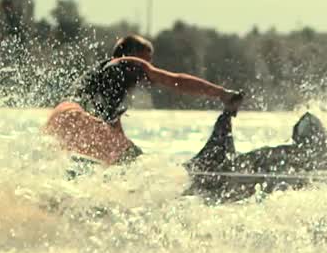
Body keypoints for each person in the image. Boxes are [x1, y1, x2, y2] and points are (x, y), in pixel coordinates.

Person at [44, 34, 243, 165]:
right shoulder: (129, 62)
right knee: (138, 165)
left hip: (57, 123)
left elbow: (117, 139)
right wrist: (222, 94)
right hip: (75, 118)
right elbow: (176, 81)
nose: (149, 67)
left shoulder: (108, 84)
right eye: (147, 60)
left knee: (123, 164)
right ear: (133, 55)